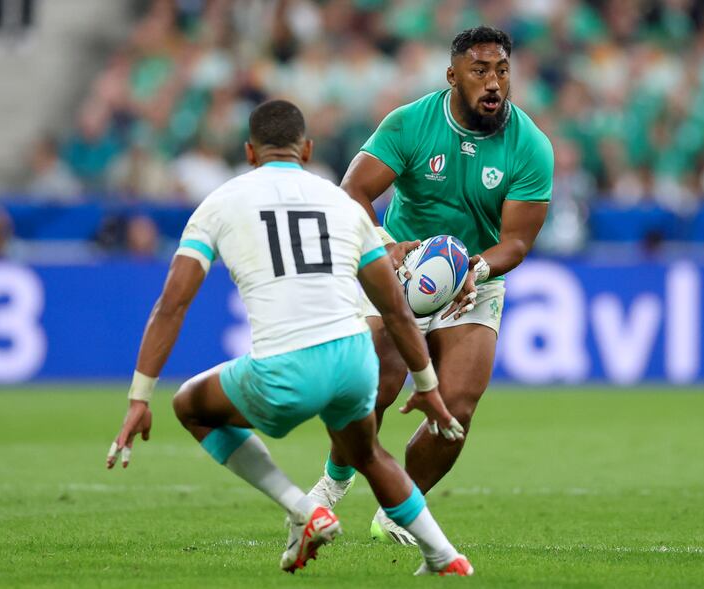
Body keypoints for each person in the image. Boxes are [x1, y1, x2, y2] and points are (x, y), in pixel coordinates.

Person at [105, 100, 474, 576]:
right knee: (367, 454)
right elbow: (396, 311)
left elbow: (171, 305)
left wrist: (139, 398)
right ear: (308, 149)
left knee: (189, 406)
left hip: (286, 366)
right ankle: (445, 556)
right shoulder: (342, 204)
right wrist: (427, 387)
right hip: (354, 360)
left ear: (249, 152)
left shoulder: (220, 203)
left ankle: (304, 510)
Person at [305, 26, 554, 545]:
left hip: (476, 277)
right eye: (479, 71)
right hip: (401, 268)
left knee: (456, 409)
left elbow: (516, 243)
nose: (493, 82)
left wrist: (476, 270)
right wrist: (381, 243)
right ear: (452, 76)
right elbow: (353, 191)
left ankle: (399, 509)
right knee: (377, 382)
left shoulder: (531, 146)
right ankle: (334, 480)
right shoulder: (411, 122)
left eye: (502, 71)